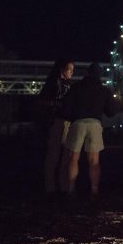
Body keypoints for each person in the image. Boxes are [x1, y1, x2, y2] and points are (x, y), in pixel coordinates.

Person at [61, 62, 117, 200]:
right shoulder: (104, 90)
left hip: (78, 122)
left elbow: (66, 108)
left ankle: (71, 189)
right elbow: (110, 112)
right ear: (100, 74)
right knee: (94, 161)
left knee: (73, 158)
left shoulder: (76, 87)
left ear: (88, 72)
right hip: (95, 124)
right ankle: (94, 191)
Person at [38, 58, 74, 196]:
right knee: (54, 155)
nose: (71, 72)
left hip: (67, 121)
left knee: (65, 155)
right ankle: (51, 187)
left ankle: (62, 187)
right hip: (57, 121)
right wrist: (56, 104)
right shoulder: (53, 83)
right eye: (69, 69)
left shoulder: (67, 84)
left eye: (72, 70)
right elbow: (42, 101)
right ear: (62, 69)